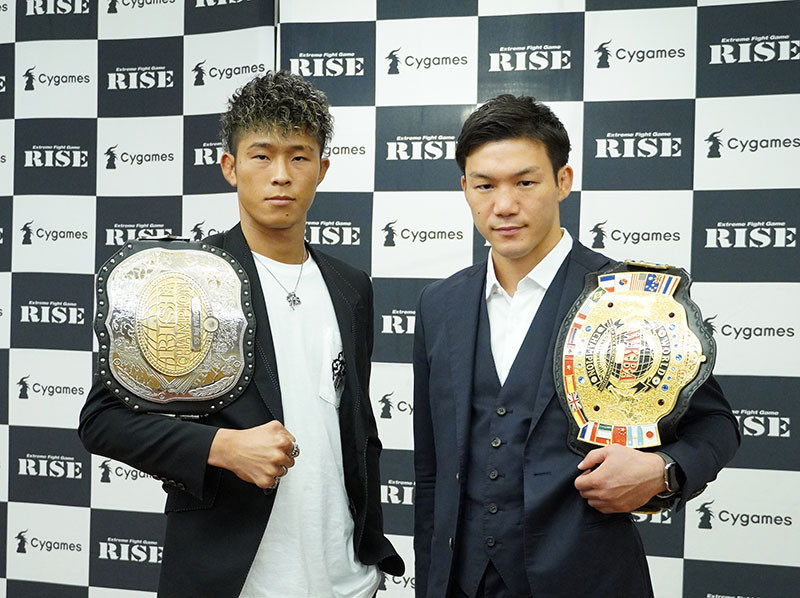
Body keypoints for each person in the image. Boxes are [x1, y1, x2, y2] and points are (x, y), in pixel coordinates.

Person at [80, 71, 403, 598]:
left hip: (346, 578)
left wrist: (368, 551)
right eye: (262, 156)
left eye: (299, 157)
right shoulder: (184, 279)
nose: (281, 175)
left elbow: (358, 430)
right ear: (230, 166)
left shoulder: (351, 286)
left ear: (322, 169)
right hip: (236, 579)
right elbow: (103, 422)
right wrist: (221, 446)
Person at [412, 94, 739, 598]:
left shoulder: (630, 297)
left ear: (562, 181)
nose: (504, 205)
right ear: (465, 189)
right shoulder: (439, 303)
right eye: (485, 185)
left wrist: (662, 471)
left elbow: (716, 425)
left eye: (525, 182)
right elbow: (431, 470)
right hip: (462, 581)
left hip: (589, 578)